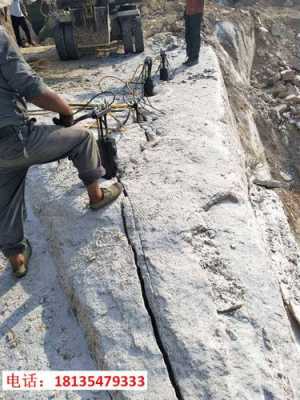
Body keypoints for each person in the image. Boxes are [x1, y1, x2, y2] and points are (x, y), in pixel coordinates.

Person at [0, 27, 122, 278]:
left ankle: (17, 257)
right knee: (83, 138)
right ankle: (97, 195)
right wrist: (65, 111)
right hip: (17, 139)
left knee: (5, 203)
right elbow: (30, 86)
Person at [183, 0, 204, 66]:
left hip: (196, 12)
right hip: (188, 11)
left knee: (194, 35)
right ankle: (190, 57)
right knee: (188, 35)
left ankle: (194, 58)